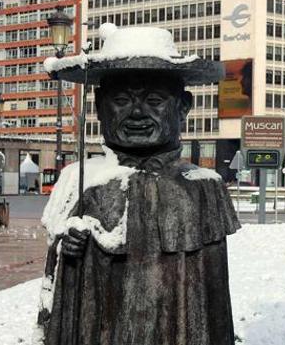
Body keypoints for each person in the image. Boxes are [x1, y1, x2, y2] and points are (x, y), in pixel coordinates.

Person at [37, 24, 240, 345]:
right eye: (121, 100)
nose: (137, 113)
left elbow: (215, 297)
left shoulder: (205, 186)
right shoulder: (78, 180)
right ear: (100, 107)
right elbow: (52, 289)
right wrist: (67, 247)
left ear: (183, 107)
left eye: (155, 99)